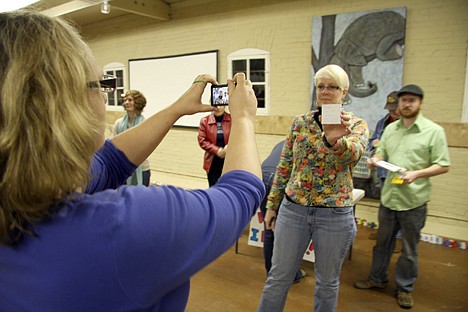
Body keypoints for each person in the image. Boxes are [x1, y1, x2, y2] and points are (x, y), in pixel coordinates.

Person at [0, 10, 265, 312]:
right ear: (66, 102)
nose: (105, 98)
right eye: (100, 85)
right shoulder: (120, 229)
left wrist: (177, 108)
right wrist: (243, 116)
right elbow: (241, 194)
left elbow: (110, 162)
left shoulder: (22, 188)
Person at [257, 64, 369, 312]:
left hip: (334, 216)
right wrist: (272, 205)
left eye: (333, 87)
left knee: (327, 283)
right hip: (293, 211)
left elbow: (354, 156)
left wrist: (333, 140)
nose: (326, 92)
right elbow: (285, 165)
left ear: (345, 92)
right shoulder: (301, 123)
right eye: (321, 86)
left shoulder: (356, 125)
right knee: (278, 278)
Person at [354, 84, 450, 310]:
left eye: (412, 100)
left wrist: (418, 173)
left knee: (409, 248)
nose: (406, 104)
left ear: (420, 103)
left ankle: (404, 288)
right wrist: (375, 159)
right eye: (403, 100)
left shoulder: (434, 131)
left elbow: (443, 165)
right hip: (389, 198)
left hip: (413, 202)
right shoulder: (391, 129)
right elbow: (381, 152)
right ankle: (377, 279)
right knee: (382, 244)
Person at [260, 140, 306, 284]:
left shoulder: (282, 142)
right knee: (287, 233)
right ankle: (292, 275)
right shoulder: (308, 143)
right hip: (280, 180)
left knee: (269, 228)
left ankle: (271, 273)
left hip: (262, 177)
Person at [366, 91, 403, 254]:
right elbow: (371, 141)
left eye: (395, 108)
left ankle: (398, 238)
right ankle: (385, 234)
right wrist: (373, 143)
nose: (392, 112)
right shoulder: (383, 122)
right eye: (390, 109)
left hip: (399, 172)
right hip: (383, 171)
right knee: (385, 204)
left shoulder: (405, 126)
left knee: (399, 206)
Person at [112, 90, 151, 186]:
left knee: (140, 198)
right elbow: (113, 145)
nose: (126, 102)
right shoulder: (118, 123)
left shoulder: (145, 123)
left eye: (130, 100)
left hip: (141, 169)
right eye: (125, 100)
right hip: (122, 168)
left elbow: (145, 148)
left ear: (138, 103)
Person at [198, 105, 231, 186]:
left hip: (229, 158)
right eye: (215, 105)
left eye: (221, 105)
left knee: (228, 186)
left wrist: (229, 146)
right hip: (212, 160)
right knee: (214, 186)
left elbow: (238, 135)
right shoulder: (205, 121)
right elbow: (202, 140)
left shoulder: (232, 119)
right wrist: (217, 150)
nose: (218, 108)